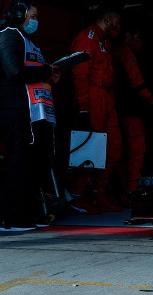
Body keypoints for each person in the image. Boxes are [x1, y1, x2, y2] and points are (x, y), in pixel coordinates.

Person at [0, 0, 59, 228]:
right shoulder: (8, 35)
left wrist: (50, 74)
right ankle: (13, 217)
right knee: (18, 163)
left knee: (33, 163)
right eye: (32, 16)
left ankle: (31, 212)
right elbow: (13, 71)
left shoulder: (28, 40)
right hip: (14, 110)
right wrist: (45, 71)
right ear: (19, 15)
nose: (36, 21)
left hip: (34, 111)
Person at [70, 6, 123, 213]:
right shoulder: (87, 38)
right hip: (93, 97)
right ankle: (77, 194)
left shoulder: (105, 41)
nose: (119, 27)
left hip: (107, 98)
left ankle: (98, 193)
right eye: (117, 21)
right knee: (92, 148)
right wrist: (83, 107)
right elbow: (79, 74)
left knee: (114, 148)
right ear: (108, 18)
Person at [113, 29, 153, 202]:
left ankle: (122, 190)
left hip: (117, 108)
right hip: (130, 109)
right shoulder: (126, 53)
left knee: (119, 151)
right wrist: (151, 100)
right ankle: (131, 189)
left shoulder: (114, 50)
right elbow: (136, 80)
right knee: (135, 149)